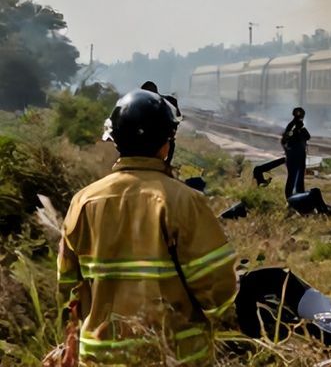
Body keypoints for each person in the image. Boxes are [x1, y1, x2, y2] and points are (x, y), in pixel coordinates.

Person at [58, 88, 237, 366]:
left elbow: (68, 287)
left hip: (100, 357)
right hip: (173, 355)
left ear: (114, 140)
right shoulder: (184, 202)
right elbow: (218, 290)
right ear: (166, 144)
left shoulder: (83, 202)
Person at [281, 107, 310, 198]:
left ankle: (300, 195)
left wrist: (300, 130)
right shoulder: (292, 127)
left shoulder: (300, 127)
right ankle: (289, 198)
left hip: (300, 155)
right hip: (293, 155)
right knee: (292, 177)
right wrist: (288, 152)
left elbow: (307, 137)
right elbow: (284, 140)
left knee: (300, 177)